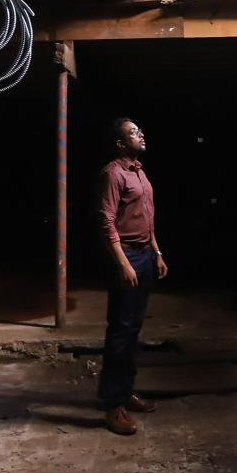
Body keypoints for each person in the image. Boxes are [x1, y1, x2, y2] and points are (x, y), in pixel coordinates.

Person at [96, 117, 168, 435]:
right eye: (133, 132)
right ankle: (113, 407)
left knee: (133, 329)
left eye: (140, 129)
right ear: (120, 143)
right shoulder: (113, 173)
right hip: (125, 256)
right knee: (121, 332)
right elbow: (106, 220)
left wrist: (157, 252)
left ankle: (126, 392)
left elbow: (147, 218)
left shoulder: (139, 170)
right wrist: (124, 263)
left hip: (144, 255)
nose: (141, 134)